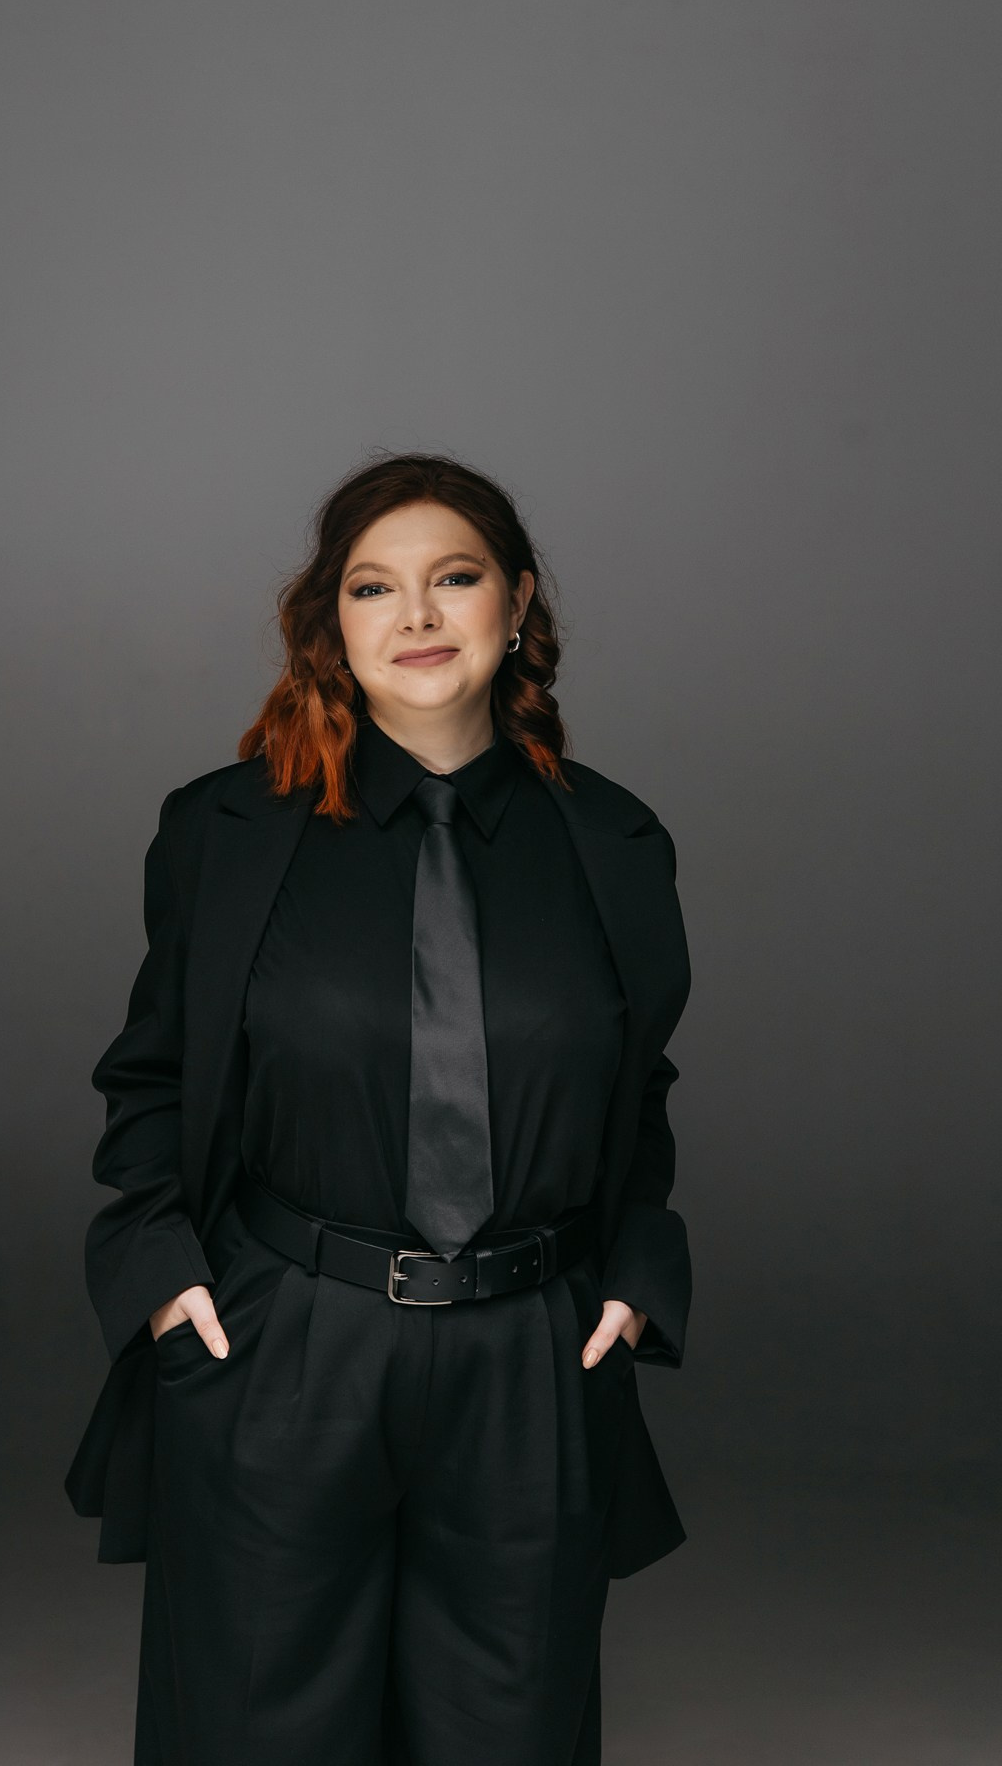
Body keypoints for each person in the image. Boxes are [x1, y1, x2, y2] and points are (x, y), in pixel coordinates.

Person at [64, 452, 693, 1766]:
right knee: (257, 1732)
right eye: (372, 587)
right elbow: (153, 1078)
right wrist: (165, 1281)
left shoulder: (616, 844)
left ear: (517, 602)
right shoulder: (226, 833)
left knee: (512, 1735)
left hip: (529, 1352)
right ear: (332, 623)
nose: (415, 616)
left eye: (452, 578)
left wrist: (635, 1277)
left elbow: (635, 1089)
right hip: (289, 1342)